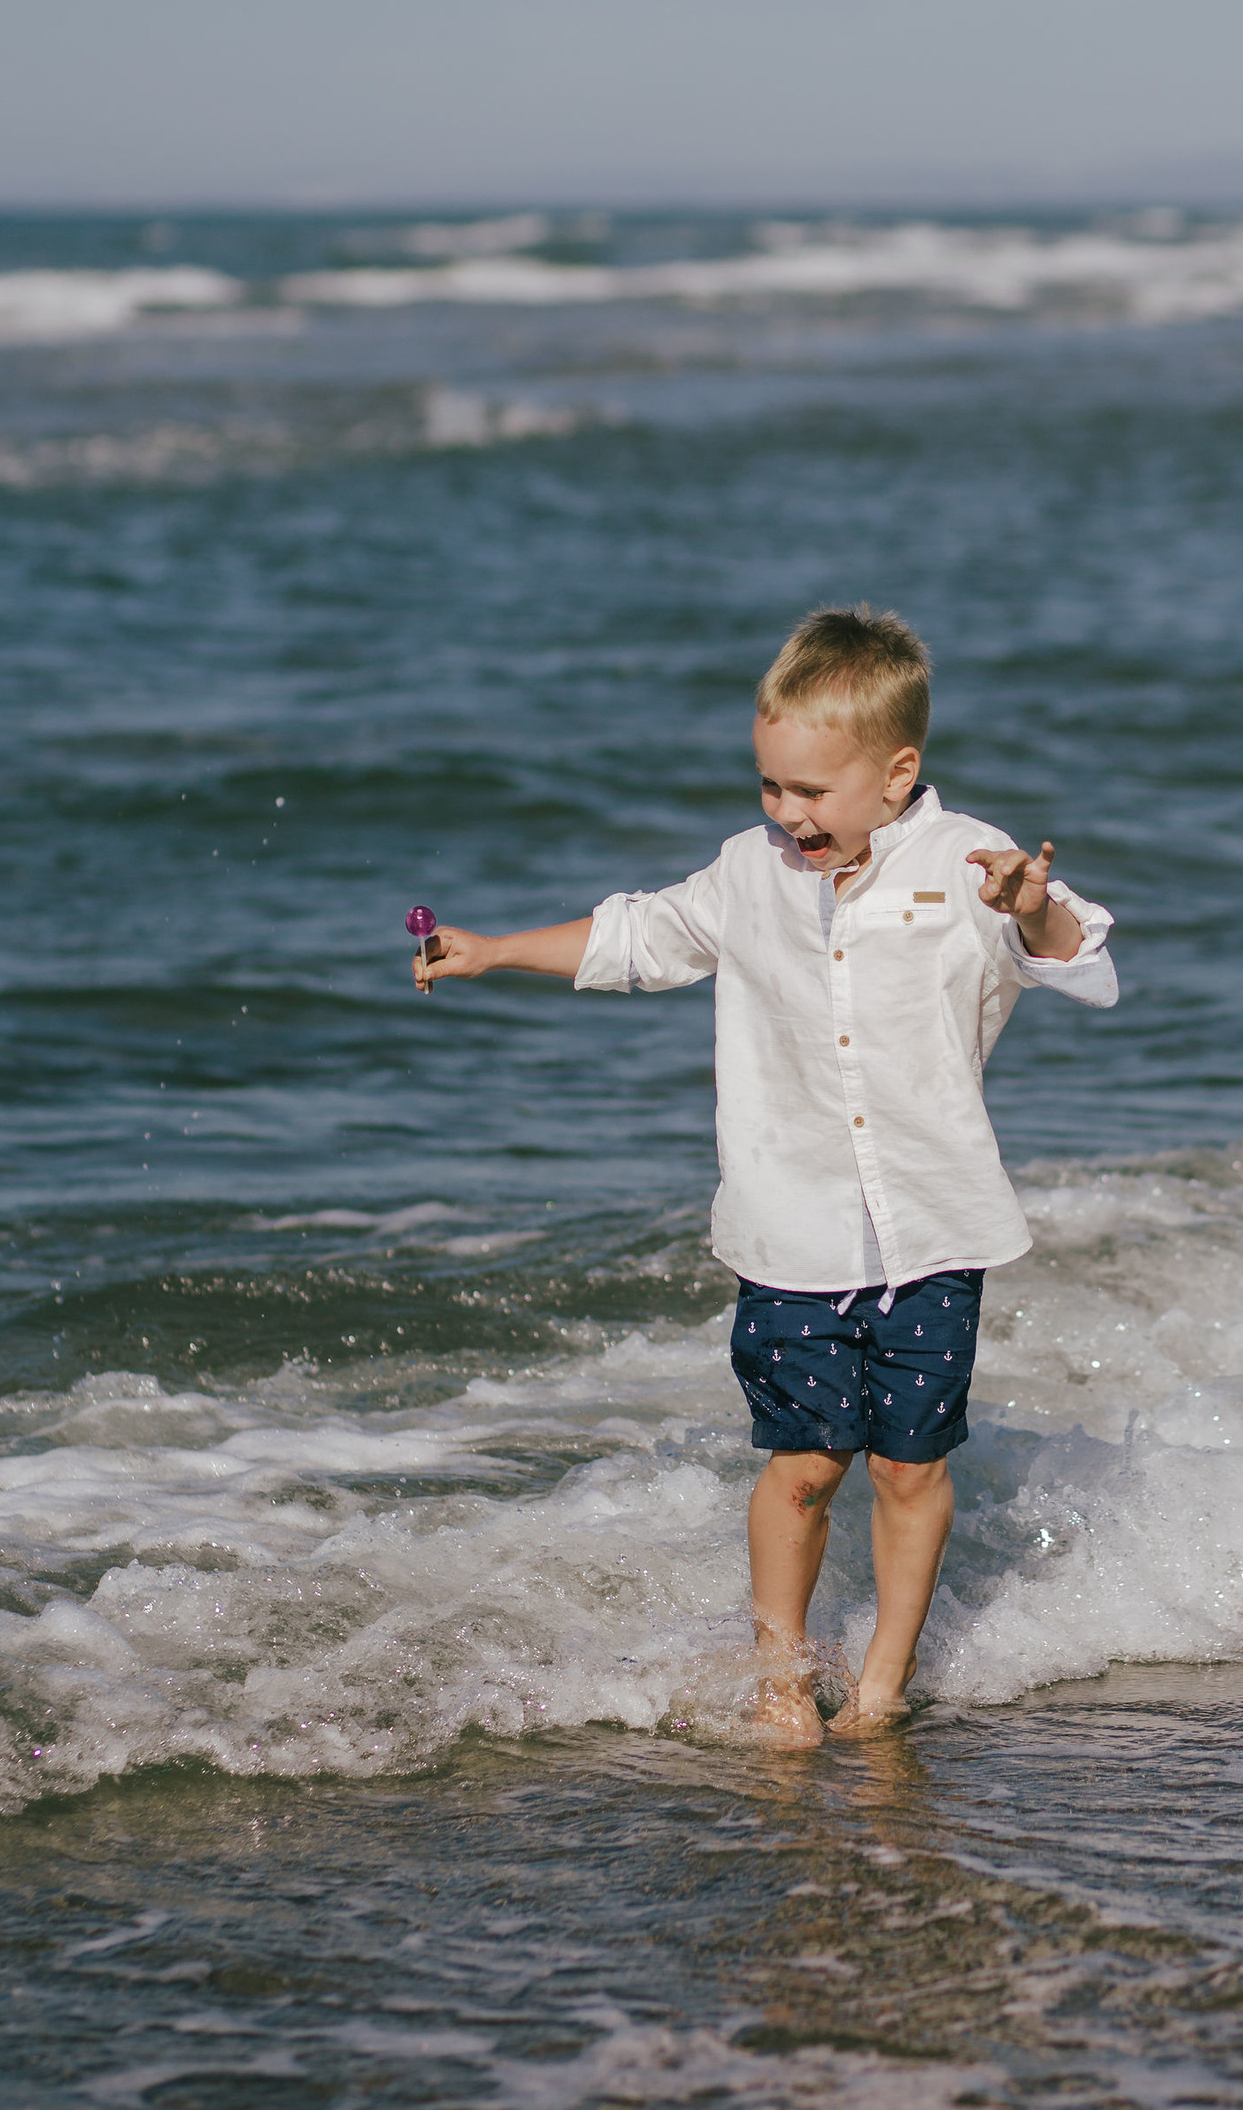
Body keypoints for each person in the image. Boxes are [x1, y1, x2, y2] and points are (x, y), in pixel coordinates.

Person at [414, 606, 1117, 1743]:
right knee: (802, 1466)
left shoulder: (972, 865)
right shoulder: (750, 875)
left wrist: (1030, 910)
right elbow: (638, 939)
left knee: (906, 1469)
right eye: (768, 788)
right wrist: (495, 950)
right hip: (789, 1230)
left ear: (897, 774)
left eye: (810, 794)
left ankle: (884, 1682)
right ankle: (781, 1674)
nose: (787, 815)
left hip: (935, 1231)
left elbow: (1084, 966)